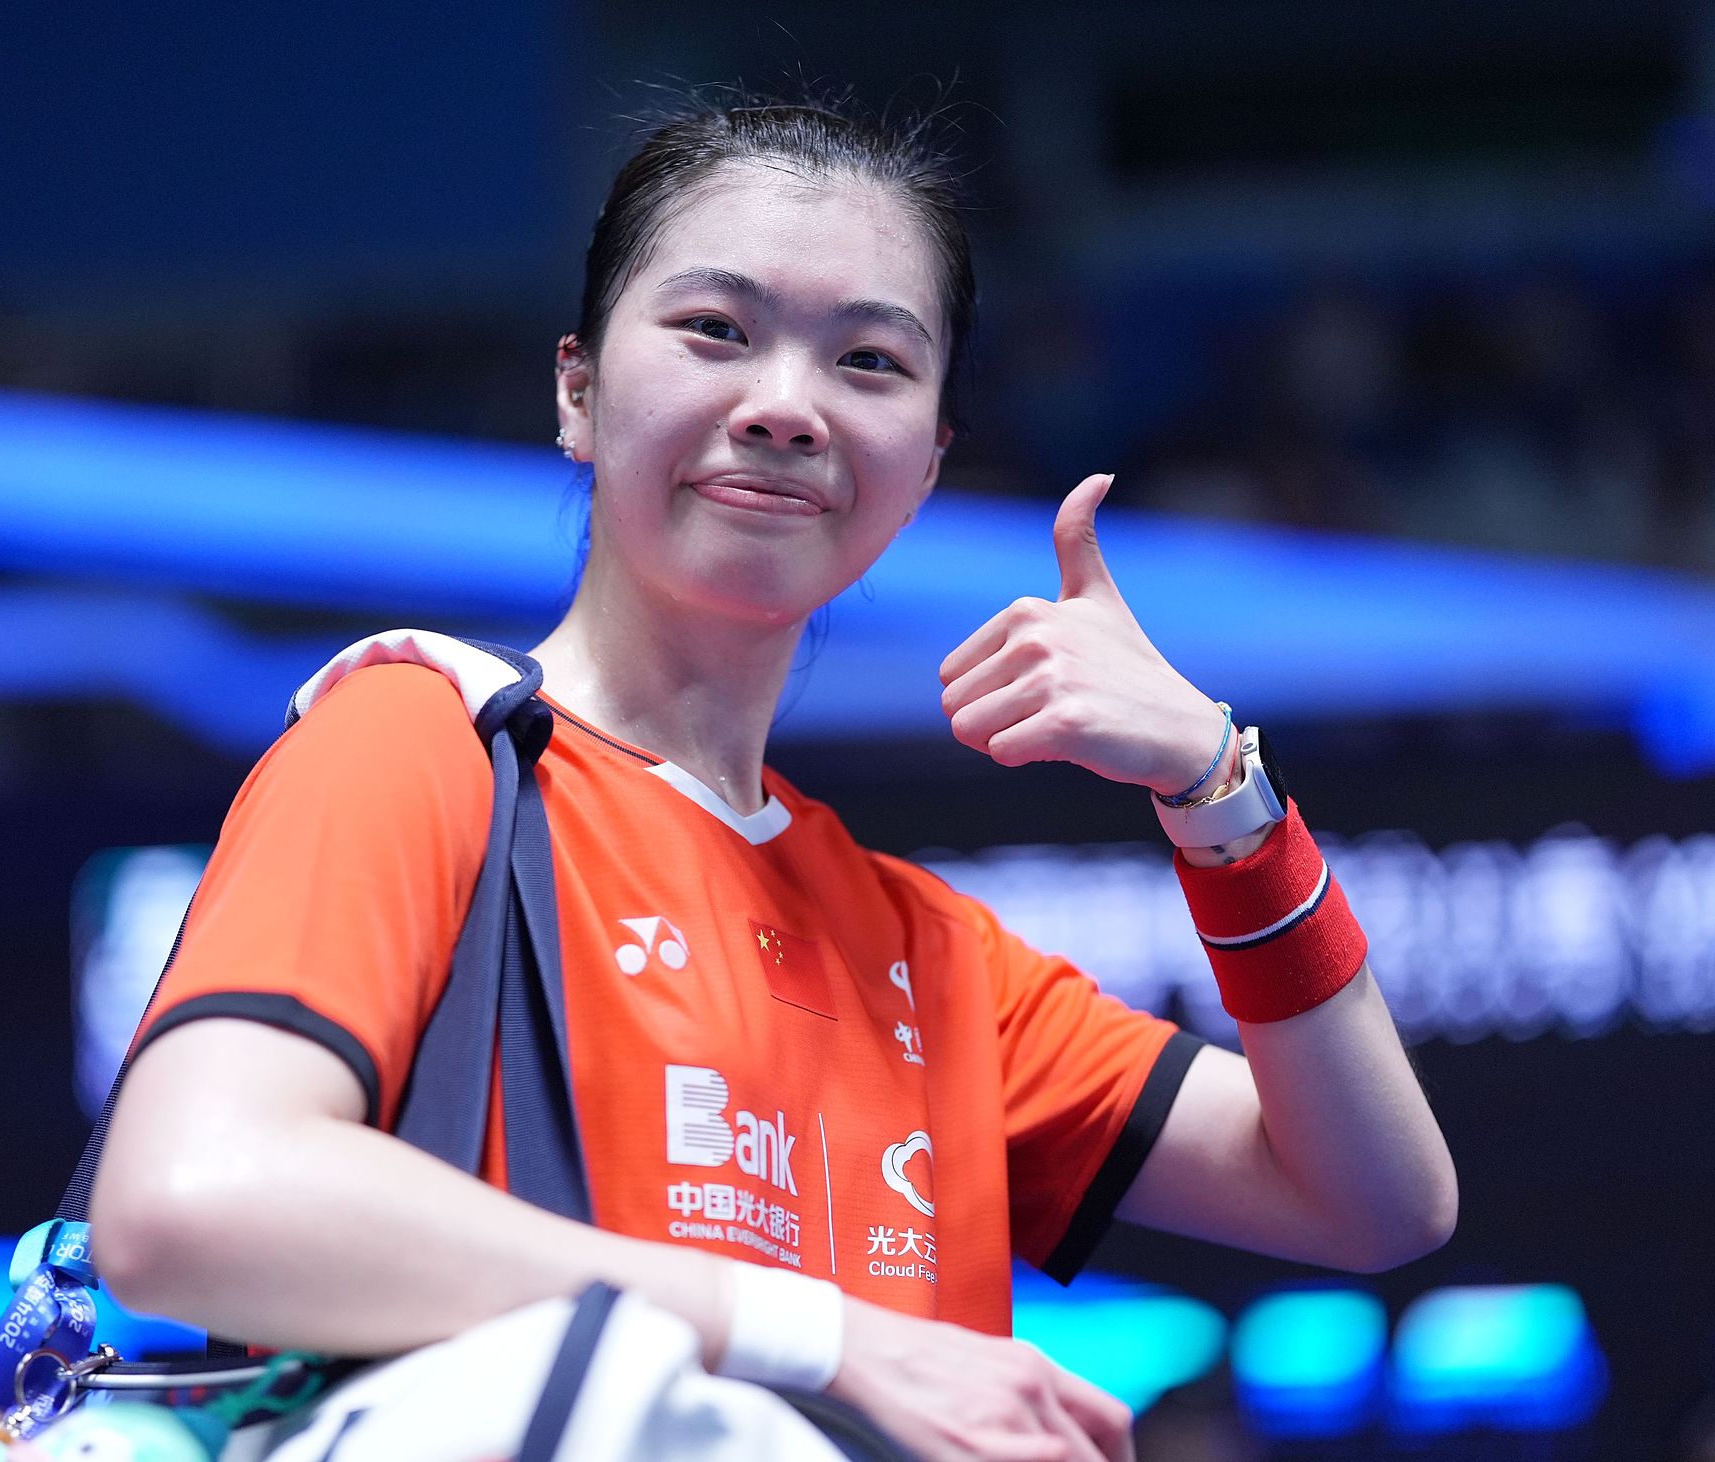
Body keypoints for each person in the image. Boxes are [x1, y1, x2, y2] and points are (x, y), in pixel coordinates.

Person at [90, 97, 1457, 1461]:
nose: (788, 408)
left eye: (869, 360)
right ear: (577, 388)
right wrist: (823, 1335)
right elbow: (186, 1197)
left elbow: (1375, 1196)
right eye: (715, 331)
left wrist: (1222, 791)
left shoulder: (926, 954)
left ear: (925, 465)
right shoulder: (418, 738)